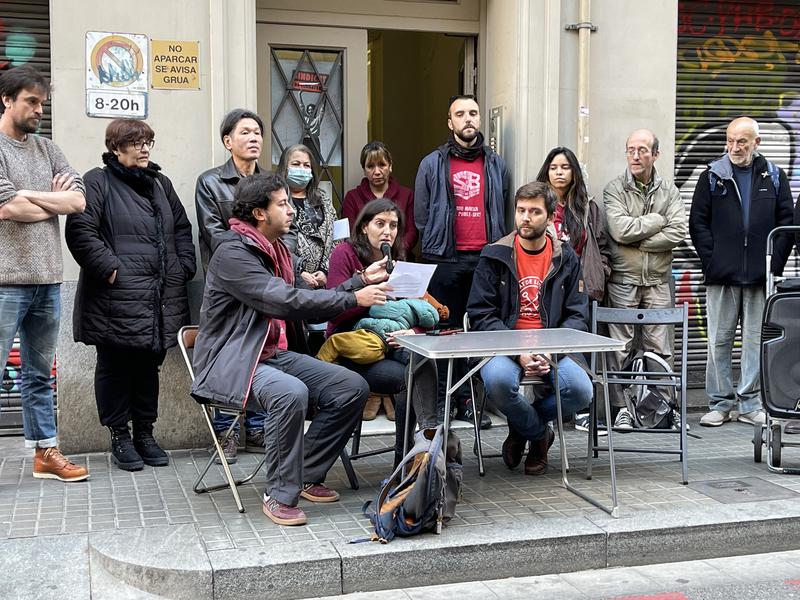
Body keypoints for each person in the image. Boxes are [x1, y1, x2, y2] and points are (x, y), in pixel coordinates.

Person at [191, 172, 392, 526]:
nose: (291, 211)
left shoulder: (277, 251)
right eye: (282, 204)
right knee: (290, 392)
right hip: (234, 360)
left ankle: (303, 474)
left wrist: (360, 280)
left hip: (270, 355)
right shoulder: (232, 253)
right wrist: (352, 297)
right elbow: (283, 300)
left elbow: (305, 296)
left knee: (351, 387)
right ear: (258, 213)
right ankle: (279, 493)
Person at [65, 119, 196, 471]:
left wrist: (183, 266)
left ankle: (145, 433)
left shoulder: (160, 183)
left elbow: (182, 228)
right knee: (114, 366)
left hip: (157, 297)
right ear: (115, 147)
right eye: (136, 142)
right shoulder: (96, 181)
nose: (144, 148)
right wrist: (111, 270)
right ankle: (119, 436)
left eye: (147, 141)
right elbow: (80, 231)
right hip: (115, 298)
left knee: (147, 367)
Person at [467, 181, 592, 476]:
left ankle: (522, 430)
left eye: (534, 212)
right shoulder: (494, 255)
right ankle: (539, 435)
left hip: (552, 346)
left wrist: (550, 351)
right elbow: (480, 314)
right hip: (505, 344)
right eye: (521, 210)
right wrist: (518, 351)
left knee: (581, 391)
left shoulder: (567, 258)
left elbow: (577, 314)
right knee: (498, 381)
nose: (525, 217)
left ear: (550, 218)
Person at [0, 65, 89, 482]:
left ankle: (45, 453)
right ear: (7, 100)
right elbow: (7, 209)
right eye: (31, 102)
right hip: (5, 281)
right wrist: (51, 198)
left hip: (48, 279)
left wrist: (31, 195)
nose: (39, 110)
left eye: (42, 103)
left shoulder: (48, 149)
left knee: (39, 372)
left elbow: (77, 203)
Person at [690, 117, 794, 427]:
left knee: (754, 342)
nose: (735, 147)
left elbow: (786, 225)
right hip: (721, 276)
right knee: (718, 341)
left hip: (760, 278)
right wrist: (713, 260)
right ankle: (720, 403)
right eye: (731, 141)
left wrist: (772, 266)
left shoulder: (774, 176)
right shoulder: (712, 176)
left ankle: (750, 404)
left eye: (742, 142)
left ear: (756, 143)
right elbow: (698, 223)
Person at [415, 94, 510, 428]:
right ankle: (443, 402)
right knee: (445, 333)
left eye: (473, 113)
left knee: (482, 334)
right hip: (446, 260)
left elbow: (503, 208)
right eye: (460, 114)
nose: (467, 119)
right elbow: (422, 216)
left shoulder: (496, 164)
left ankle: (472, 401)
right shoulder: (432, 163)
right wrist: (437, 244)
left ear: (480, 119)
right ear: (449, 121)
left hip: (487, 259)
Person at [325, 197, 439, 465]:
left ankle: (422, 440)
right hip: (353, 344)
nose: (388, 231)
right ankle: (415, 452)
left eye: (394, 225)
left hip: (391, 341)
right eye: (380, 223)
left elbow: (414, 307)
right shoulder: (344, 254)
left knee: (421, 354)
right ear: (364, 226)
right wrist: (365, 293)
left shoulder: (397, 258)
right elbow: (333, 310)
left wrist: (412, 330)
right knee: (408, 378)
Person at [194, 108, 269, 462]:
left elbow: (285, 231)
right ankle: (225, 431)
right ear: (228, 141)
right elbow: (214, 234)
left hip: (266, 286)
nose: (254, 138)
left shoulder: (271, 183)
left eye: (257, 132)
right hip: (229, 287)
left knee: (262, 354)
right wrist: (256, 257)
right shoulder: (210, 183)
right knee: (230, 357)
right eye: (245, 132)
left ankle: (256, 427)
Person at [603, 129, 687, 430]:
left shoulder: (670, 190)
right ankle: (623, 410)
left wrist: (642, 242)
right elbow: (621, 231)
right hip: (624, 280)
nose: (635, 156)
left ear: (656, 154)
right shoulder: (614, 189)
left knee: (661, 347)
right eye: (630, 150)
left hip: (658, 280)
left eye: (642, 150)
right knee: (619, 347)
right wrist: (657, 220)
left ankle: (662, 410)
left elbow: (679, 231)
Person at [342, 141, 417, 257]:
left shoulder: (406, 195)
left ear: (390, 166)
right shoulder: (352, 197)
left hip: (399, 259)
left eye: (382, 165)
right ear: (364, 170)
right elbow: (351, 234)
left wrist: (394, 252)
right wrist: (371, 256)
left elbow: (411, 232)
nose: (377, 172)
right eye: (370, 166)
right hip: (362, 261)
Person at [277, 143, 336, 288]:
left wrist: (325, 271)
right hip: (291, 281)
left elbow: (338, 237)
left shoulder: (323, 199)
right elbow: (274, 243)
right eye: (296, 164)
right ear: (285, 168)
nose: (301, 169)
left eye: (306, 165)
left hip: (324, 283)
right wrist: (299, 271)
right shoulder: (276, 201)